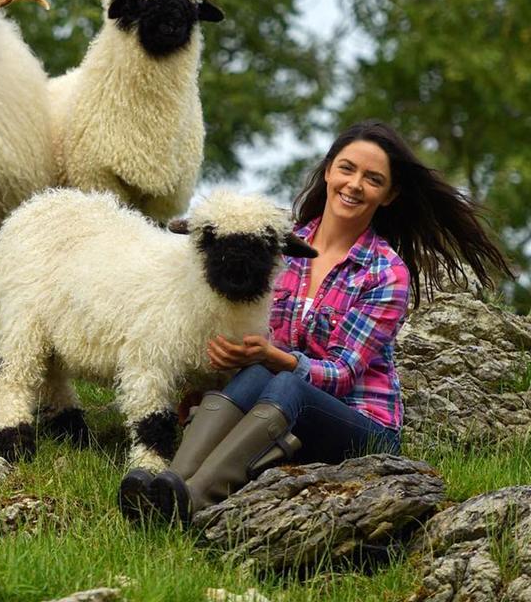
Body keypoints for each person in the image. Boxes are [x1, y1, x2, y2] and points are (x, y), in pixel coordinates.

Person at [119, 121, 512, 524]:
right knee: (258, 373)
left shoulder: (386, 273)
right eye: (347, 168)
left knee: (285, 378)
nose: (355, 184)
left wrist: (275, 357)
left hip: (361, 427)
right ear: (327, 171)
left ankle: (192, 501)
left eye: (372, 179)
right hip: (279, 409)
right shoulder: (278, 247)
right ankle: (166, 485)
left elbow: (342, 375)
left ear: (389, 195)